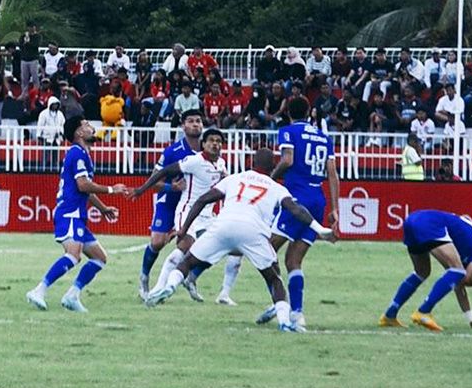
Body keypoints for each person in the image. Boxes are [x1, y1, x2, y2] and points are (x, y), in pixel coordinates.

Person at [144, 148, 335, 331]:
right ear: (273, 166)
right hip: (252, 232)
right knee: (273, 278)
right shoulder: (277, 187)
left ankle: (170, 286)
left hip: (223, 226)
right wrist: (320, 229)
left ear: (252, 163)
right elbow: (296, 209)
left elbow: (203, 200)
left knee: (187, 263)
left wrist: (184, 229)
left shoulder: (234, 178)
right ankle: (284, 322)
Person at [26, 116, 128, 313]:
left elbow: (85, 188)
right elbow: (83, 185)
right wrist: (111, 190)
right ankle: (39, 291)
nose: (92, 127)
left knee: (99, 258)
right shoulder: (77, 153)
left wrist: (103, 209)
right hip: (70, 212)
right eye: (87, 125)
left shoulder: (82, 154)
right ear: (79, 132)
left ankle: (72, 295)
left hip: (77, 214)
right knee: (74, 254)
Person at [258, 97, 341, 332]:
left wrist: (270, 179)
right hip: (317, 200)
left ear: (287, 112)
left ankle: (280, 301)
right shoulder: (324, 137)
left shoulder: (287, 132)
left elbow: (288, 160)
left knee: (265, 250)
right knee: (294, 261)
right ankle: (297, 314)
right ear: (310, 112)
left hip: (296, 199)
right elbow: (332, 174)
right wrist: (335, 208)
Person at [143, 127, 231, 306]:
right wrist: (141, 190)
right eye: (211, 141)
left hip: (207, 215)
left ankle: (191, 278)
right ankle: (158, 289)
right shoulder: (194, 161)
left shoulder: (221, 164)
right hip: (187, 210)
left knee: (217, 249)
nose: (215, 144)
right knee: (184, 246)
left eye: (218, 141)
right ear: (203, 144)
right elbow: (164, 172)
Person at [128, 109, 204, 302]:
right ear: (183, 126)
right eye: (191, 121)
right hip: (169, 202)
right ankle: (144, 277)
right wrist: (172, 187)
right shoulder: (172, 152)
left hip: (192, 206)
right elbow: (154, 180)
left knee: (195, 245)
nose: (195, 124)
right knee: (157, 243)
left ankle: (183, 281)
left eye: (198, 121)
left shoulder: (207, 151)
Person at [380, 210, 472, 331]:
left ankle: (389, 316)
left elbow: (458, 285)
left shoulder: (468, 253)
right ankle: (423, 312)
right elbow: (466, 277)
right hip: (430, 224)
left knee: (422, 272)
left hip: (413, 220)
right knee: (457, 271)